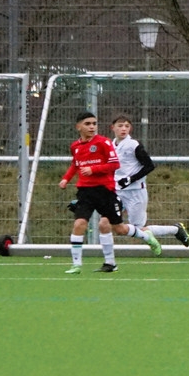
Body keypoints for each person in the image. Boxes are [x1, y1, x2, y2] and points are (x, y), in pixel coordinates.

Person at [59, 111, 162, 273]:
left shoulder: (104, 143)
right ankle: (77, 264)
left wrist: (93, 169)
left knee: (119, 228)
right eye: (88, 124)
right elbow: (75, 164)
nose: (92, 127)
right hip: (85, 192)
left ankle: (146, 236)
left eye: (94, 124)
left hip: (106, 192)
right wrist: (66, 179)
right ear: (78, 127)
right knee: (79, 224)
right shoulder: (75, 146)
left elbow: (114, 165)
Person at [108, 115, 189, 247]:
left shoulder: (133, 145)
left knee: (139, 229)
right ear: (112, 127)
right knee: (106, 222)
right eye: (120, 126)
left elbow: (149, 166)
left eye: (127, 126)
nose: (123, 129)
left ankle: (175, 229)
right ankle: (108, 257)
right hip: (117, 191)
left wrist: (130, 179)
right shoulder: (110, 145)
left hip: (135, 191)